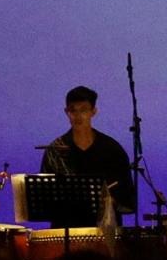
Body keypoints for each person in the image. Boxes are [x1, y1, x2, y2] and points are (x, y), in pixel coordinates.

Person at [39, 84, 136, 223]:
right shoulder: (55, 150)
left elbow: (127, 197)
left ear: (93, 111)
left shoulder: (112, 149)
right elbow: (44, 197)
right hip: (65, 227)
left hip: (104, 228)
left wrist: (109, 199)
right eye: (73, 110)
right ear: (66, 112)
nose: (78, 116)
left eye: (83, 110)